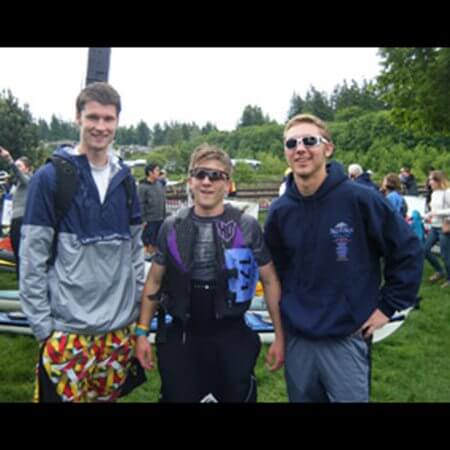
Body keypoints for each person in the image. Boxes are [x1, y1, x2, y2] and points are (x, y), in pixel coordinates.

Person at [264, 114, 423, 403]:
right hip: (299, 339)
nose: (300, 148)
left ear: (328, 148)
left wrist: (388, 306)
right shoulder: (279, 212)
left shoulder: (361, 199)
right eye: (291, 143)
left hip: (346, 337)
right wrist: (280, 331)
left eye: (309, 140)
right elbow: (274, 273)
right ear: (286, 152)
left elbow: (408, 249)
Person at [19, 82, 145, 402]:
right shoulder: (50, 178)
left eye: (108, 119)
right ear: (77, 118)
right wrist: (43, 329)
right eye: (93, 118)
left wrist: (137, 311)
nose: (100, 127)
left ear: (117, 122)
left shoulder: (126, 181)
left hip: (118, 332)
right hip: (68, 333)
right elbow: (32, 257)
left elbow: (135, 252)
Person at [136, 144, 284, 402]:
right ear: (190, 180)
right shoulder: (172, 226)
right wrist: (141, 333)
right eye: (200, 174)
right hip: (183, 335)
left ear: (227, 184)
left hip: (230, 332)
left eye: (216, 175)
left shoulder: (245, 226)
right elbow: (154, 281)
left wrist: (280, 336)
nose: (207, 181)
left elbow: (270, 280)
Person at [0, 147, 32, 280]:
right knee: (17, 254)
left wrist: (9, 159)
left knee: (23, 255)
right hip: (14, 220)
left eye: (20, 166)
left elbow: (19, 175)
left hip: (22, 220)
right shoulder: (17, 185)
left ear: (27, 169)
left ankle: (25, 283)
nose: (17, 168)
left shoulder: (29, 180)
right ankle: (21, 284)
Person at [423, 170, 450, 288]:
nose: (429, 182)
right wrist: (428, 216)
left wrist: (436, 213)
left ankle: (449, 279)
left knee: (445, 255)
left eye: (431, 179)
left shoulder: (447, 192)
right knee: (424, 250)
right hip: (434, 227)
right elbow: (433, 211)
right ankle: (440, 271)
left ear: (438, 180)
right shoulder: (434, 193)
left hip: (444, 228)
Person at [138, 162, 166, 260]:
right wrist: (143, 219)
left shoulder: (159, 184)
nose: (159, 172)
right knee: (149, 241)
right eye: (157, 170)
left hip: (161, 218)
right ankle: (148, 259)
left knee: (158, 240)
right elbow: (140, 204)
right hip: (150, 220)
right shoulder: (142, 187)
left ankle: (155, 258)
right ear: (150, 172)